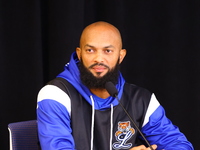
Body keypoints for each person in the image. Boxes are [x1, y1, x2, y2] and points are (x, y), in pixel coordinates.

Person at [37, 21, 194, 150]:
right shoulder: (55, 95)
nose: (98, 58)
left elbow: (179, 145)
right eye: (90, 50)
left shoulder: (141, 100)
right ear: (79, 54)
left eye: (108, 51)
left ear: (121, 56)